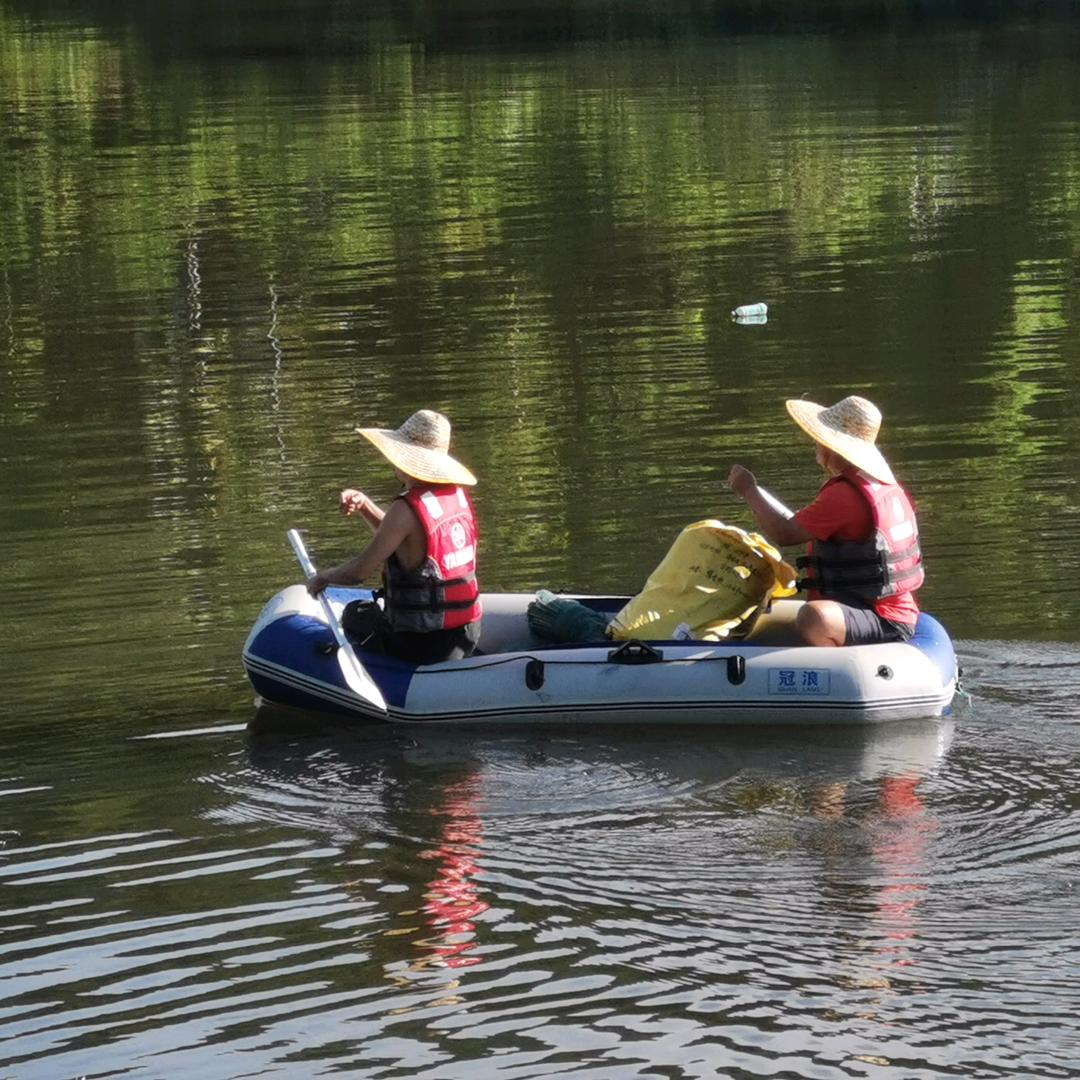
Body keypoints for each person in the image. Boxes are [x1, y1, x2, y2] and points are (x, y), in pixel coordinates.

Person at [728, 395, 923, 647]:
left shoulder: (845, 495)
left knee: (813, 617)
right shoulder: (879, 485)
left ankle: (834, 669)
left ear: (833, 446)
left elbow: (785, 534)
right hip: (881, 609)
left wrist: (749, 490)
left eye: (819, 439)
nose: (815, 445)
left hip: (882, 619)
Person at [306, 409, 482, 664]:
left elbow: (359, 572)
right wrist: (365, 506)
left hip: (424, 644)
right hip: (467, 633)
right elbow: (405, 541)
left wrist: (322, 577)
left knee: (356, 614)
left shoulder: (405, 509)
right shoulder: (455, 496)